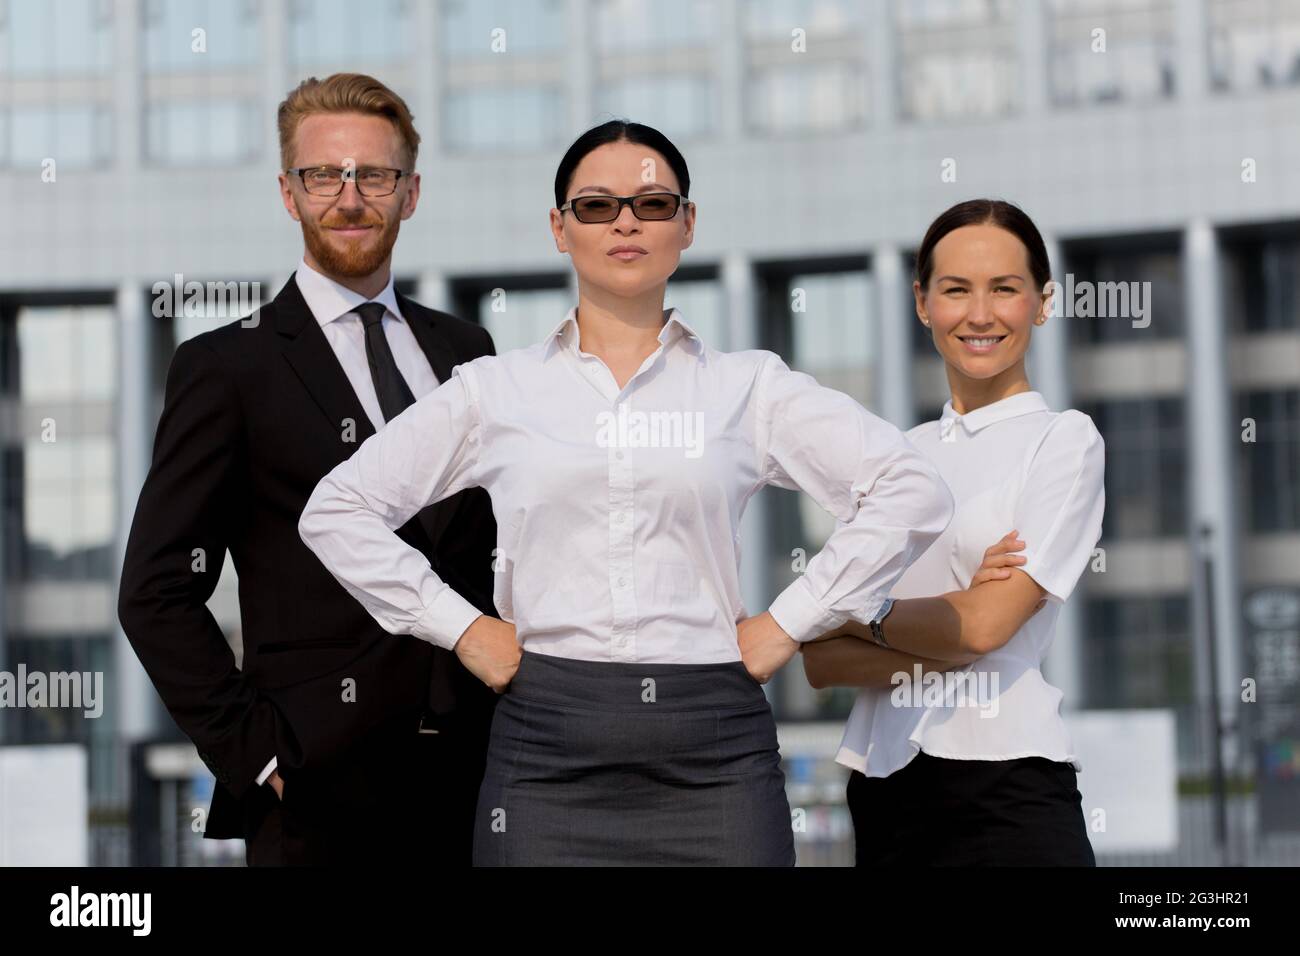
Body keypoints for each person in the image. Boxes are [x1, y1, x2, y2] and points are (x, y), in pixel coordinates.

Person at [298, 119, 954, 866]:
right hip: (544, 754)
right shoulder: (496, 392)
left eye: (651, 204)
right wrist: (462, 627)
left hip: (717, 755)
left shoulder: (749, 388)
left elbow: (912, 490)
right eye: (596, 206)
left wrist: (790, 621)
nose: (625, 223)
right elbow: (337, 511)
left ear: (687, 224)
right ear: (559, 227)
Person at [117, 73, 499, 866]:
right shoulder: (226, 366)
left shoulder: (469, 354)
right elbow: (154, 593)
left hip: (478, 782)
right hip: (316, 799)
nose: (350, 197)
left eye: (375, 176)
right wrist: (261, 758)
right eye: (324, 175)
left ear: (411, 193)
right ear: (289, 194)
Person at [801, 198, 1104, 866]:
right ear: (921, 302)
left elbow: (988, 627)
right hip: (884, 789)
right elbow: (820, 658)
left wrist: (866, 614)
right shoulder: (893, 456)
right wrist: (952, 623)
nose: (980, 314)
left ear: (1043, 302)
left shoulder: (1062, 441)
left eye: (1005, 289)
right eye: (956, 289)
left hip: (1006, 785)